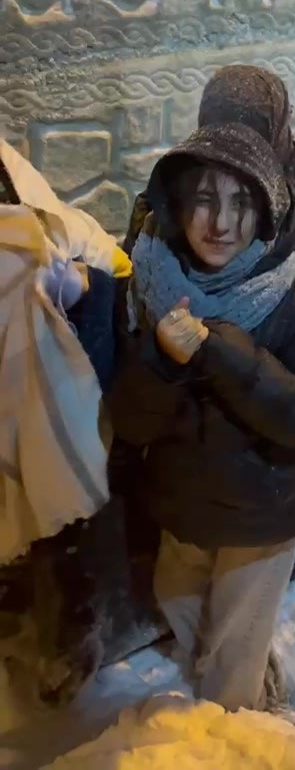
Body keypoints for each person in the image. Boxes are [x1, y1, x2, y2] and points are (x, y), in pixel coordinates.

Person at [110, 122, 295, 712]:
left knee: (229, 669)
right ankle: (237, 674)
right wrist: (161, 360)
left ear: (266, 211)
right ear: (178, 204)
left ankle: (238, 728)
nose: (221, 223)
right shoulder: (151, 283)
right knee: (178, 599)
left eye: (241, 202)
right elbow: (132, 421)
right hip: (183, 502)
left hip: (262, 512)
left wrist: (226, 355)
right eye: (205, 199)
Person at [122, 64, 295, 577]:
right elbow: (146, 258)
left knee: (277, 490)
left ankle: (290, 555)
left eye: (254, 131)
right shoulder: (192, 180)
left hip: (280, 358)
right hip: (192, 400)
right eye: (224, 128)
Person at [0, 139, 132, 706]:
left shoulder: (54, 233)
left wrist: (82, 286)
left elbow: (113, 274)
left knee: (62, 517)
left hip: (60, 400)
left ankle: (66, 643)